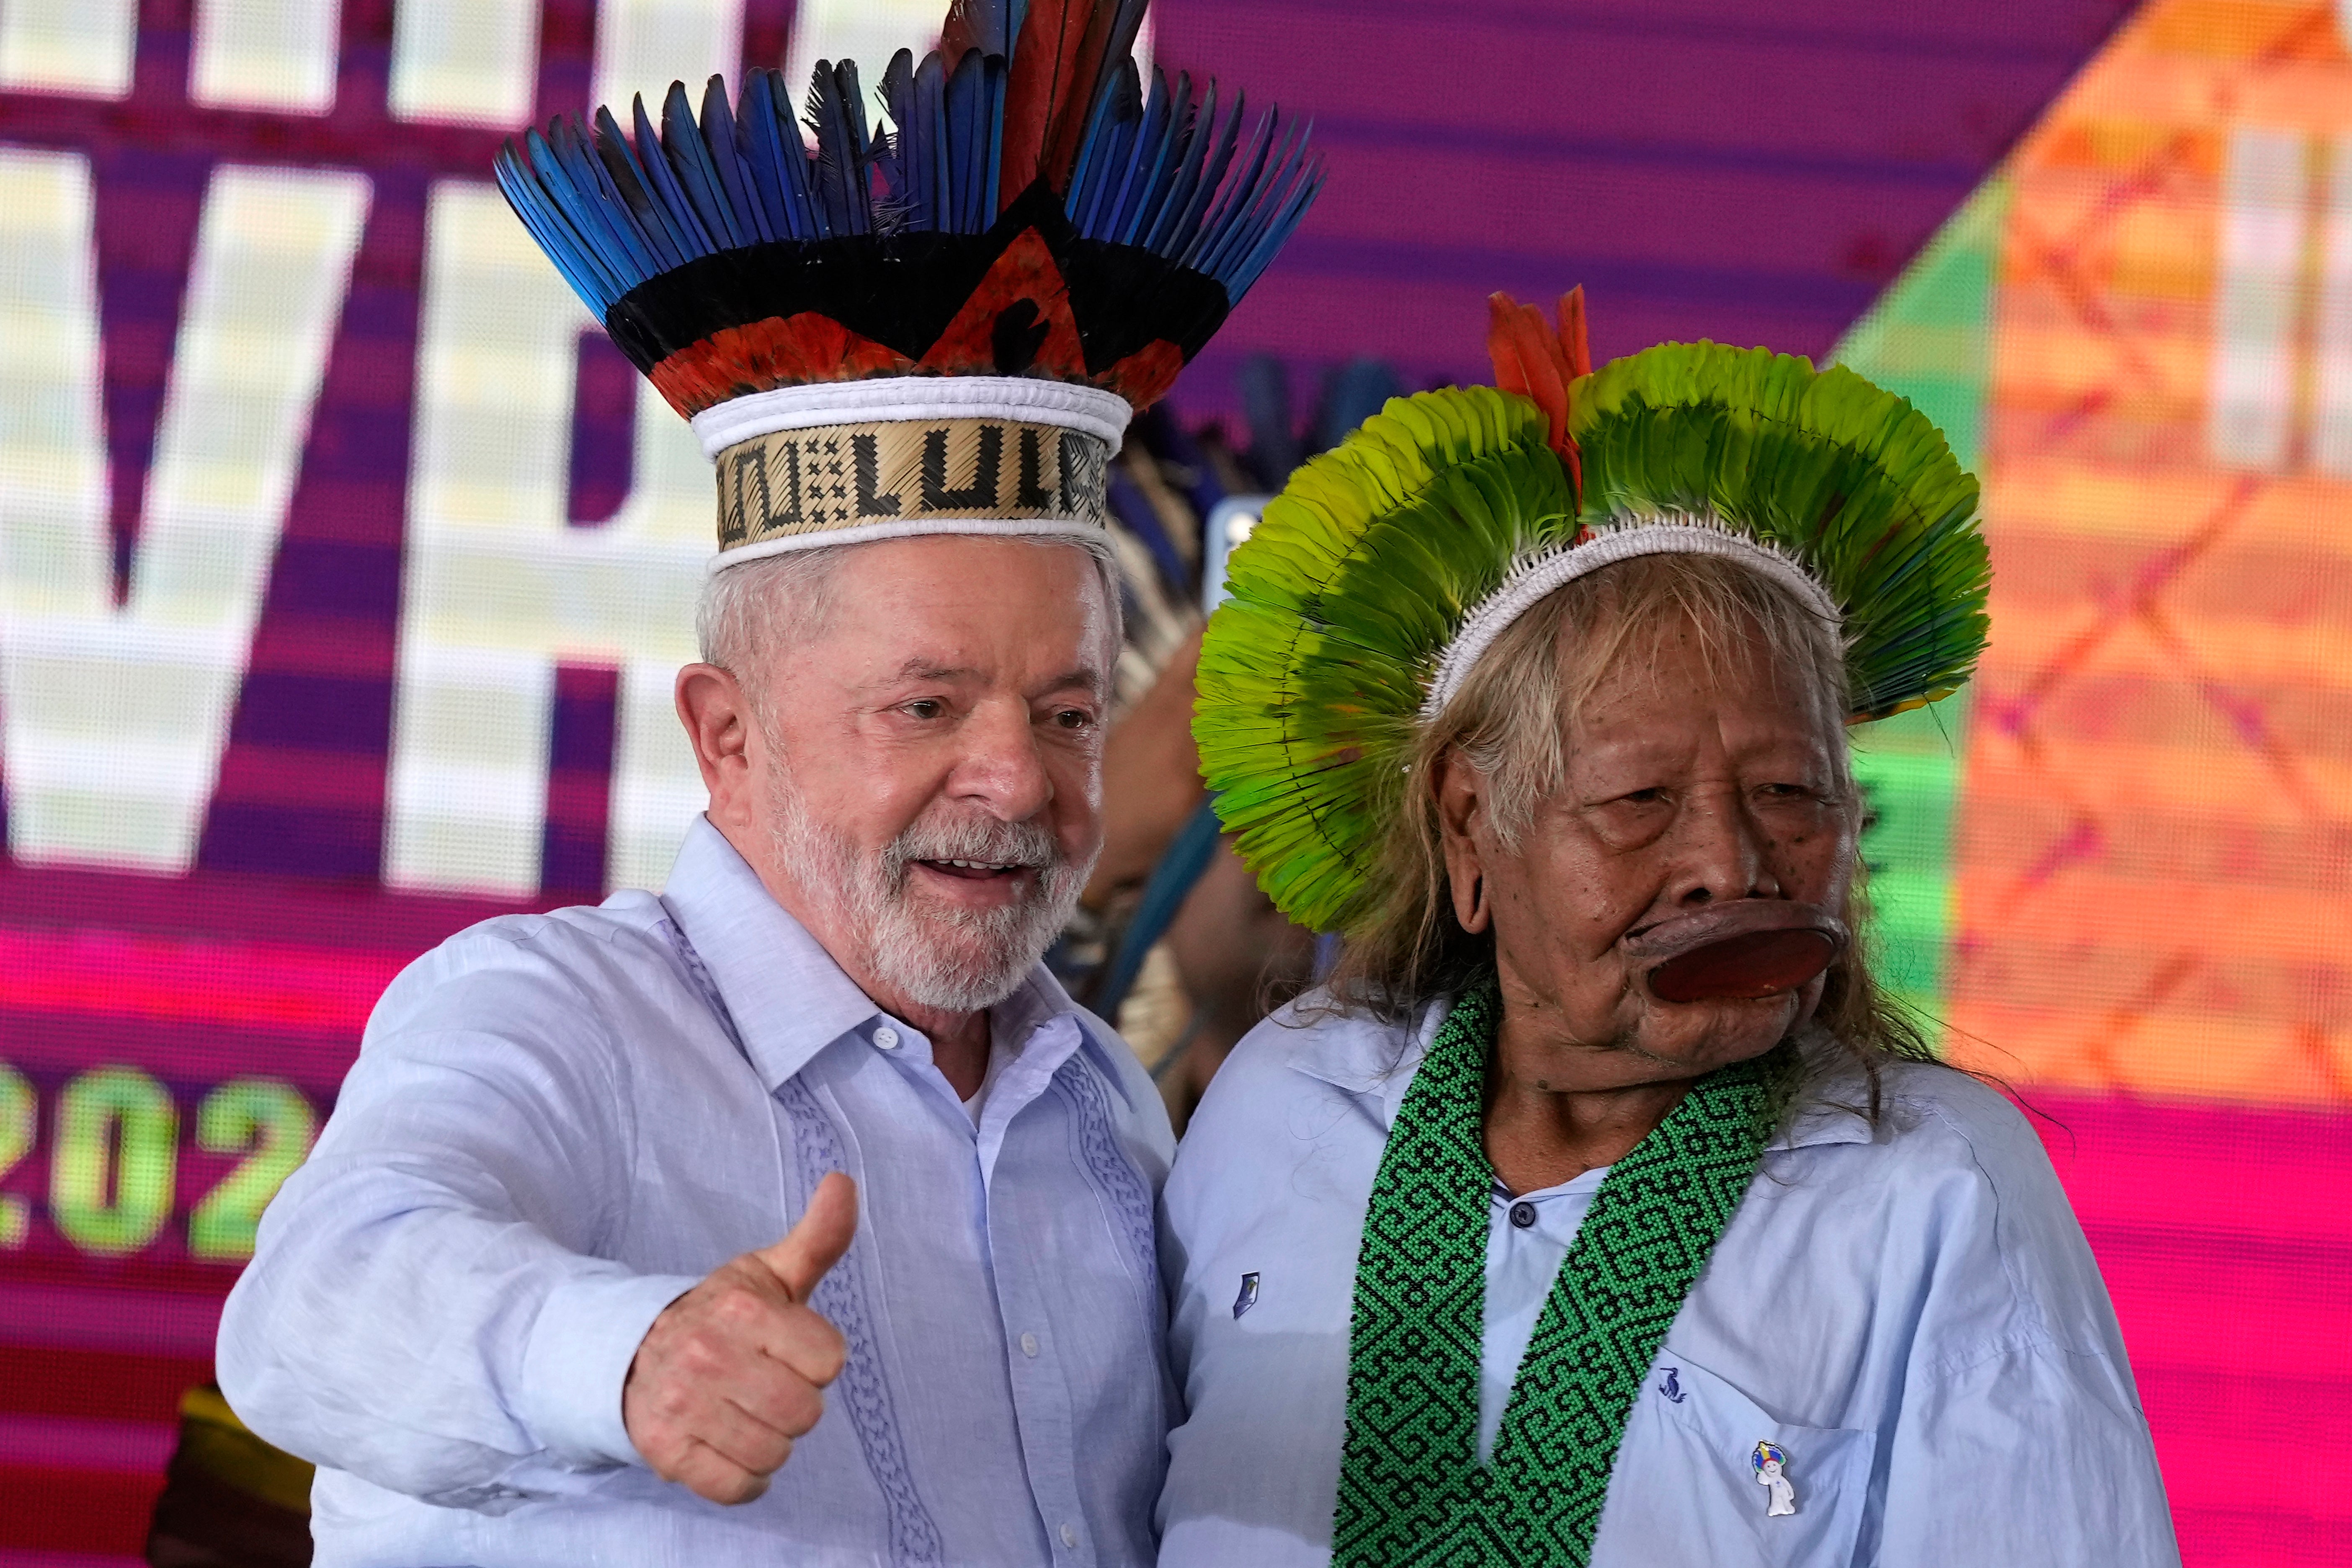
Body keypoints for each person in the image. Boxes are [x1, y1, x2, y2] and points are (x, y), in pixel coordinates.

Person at [216, 6, 1318, 1562]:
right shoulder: (552, 1015)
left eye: (1069, 713)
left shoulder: (1109, 1125)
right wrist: (630, 1355)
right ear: (727, 734)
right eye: (925, 705)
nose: (1015, 780)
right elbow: (312, 1303)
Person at [1157, 292, 2181, 1565]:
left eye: (1791, 795)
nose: (1728, 864)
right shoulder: (1288, 1105)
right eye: (1641, 803)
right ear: (1471, 829)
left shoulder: (1933, 1189)